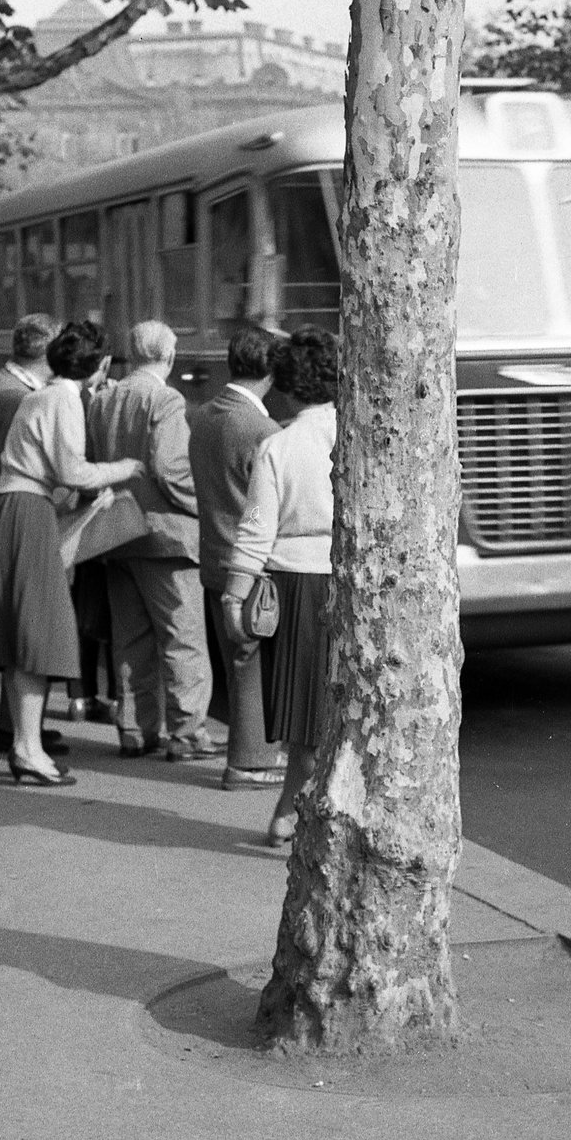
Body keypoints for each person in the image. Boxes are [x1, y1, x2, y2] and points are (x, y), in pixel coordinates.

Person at [0, 321, 144, 786]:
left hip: (8, 510)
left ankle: (24, 744)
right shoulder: (65, 398)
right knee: (41, 634)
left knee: (21, 635)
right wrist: (123, 468)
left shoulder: (40, 394)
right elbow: (71, 470)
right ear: (101, 365)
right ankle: (28, 750)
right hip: (26, 513)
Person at [221, 327, 338, 847]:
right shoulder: (363, 435)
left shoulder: (280, 445)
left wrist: (234, 595)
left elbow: (256, 529)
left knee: (304, 712)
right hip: (357, 581)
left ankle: (289, 811)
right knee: (334, 710)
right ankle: (297, 812)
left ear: (288, 385)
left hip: (295, 584)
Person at [86, 320, 218, 761]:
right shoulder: (166, 399)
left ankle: (134, 729)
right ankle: (187, 733)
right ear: (169, 357)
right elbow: (170, 468)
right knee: (183, 638)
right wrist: (203, 507)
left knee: (131, 639)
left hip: (119, 534)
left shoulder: (104, 400)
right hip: (167, 536)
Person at [0, 312, 70, 755]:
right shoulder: (19, 396)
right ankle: (21, 733)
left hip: (3, 507)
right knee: (29, 625)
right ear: (47, 353)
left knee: (20, 622)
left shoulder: (3, 385)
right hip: (24, 511)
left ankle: (18, 725)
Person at [189, 326, 287, 789]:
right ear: (270, 370)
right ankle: (249, 763)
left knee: (238, 660)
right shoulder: (262, 429)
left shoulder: (203, 414)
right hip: (251, 563)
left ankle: (255, 755)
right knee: (253, 663)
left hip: (213, 555)